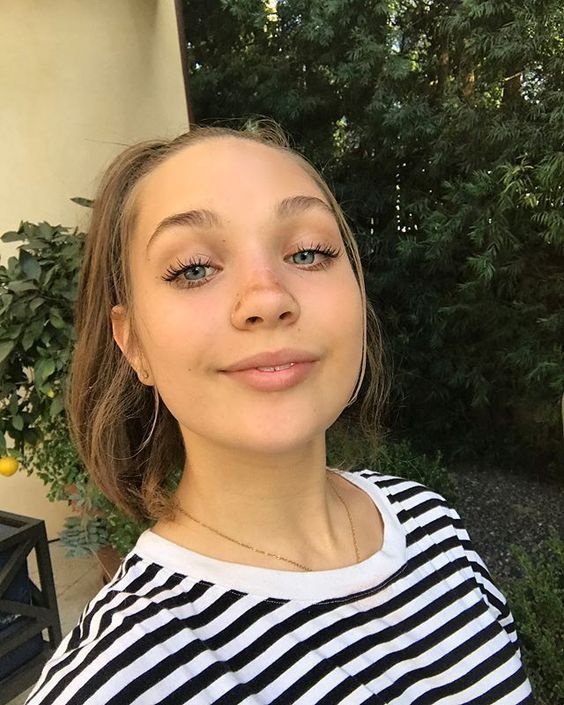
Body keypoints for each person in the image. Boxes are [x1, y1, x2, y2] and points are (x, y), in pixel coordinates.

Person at [26, 125, 532, 704]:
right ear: (132, 342)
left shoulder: (431, 522)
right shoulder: (118, 679)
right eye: (193, 268)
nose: (268, 297)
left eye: (308, 253)